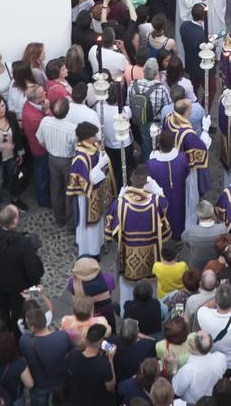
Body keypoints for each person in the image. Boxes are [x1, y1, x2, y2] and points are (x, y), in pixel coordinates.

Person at [105, 164, 171, 310]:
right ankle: (151, 309)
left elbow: (111, 233)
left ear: (130, 178)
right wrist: (156, 189)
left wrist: (122, 196)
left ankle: (125, 312)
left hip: (128, 256)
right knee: (151, 286)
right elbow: (165, 205)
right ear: (147, 181)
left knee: (127, 290)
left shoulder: (120, 203)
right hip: (151, 255)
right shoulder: (156, 201)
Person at [0, 205, 44, 334]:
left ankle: (2, 332)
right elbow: (33, 268)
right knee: (17, 312)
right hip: (16, 286)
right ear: (14, 221)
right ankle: (17, 337)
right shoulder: (23, 243)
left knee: (1, 308)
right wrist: (35, 283)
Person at [67, 121, 116, 258]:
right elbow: (86, 182)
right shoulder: (80, 158)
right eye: (94, 136)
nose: (96, 138)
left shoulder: (94, 146)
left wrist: (103, 160)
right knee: (90, 226)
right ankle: (91, 251)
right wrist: (100, 165)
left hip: (98, 192)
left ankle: (99, 242)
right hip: (87, 197)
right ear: (87, 138)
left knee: (99, 220)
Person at [162, 97, 211, 227]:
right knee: (190, 198)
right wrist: (205, 129)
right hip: (186, 169)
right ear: (187, 112)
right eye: (191, 107)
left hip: (169, 162)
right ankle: (189, 224)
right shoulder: (188, 134)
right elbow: (202, 149)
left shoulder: (168, 118)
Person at [35, 95, 77, 228]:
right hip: (67, 160)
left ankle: (59, 220)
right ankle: (71, 223)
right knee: (69, 192)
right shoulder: (72, 128)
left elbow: (40, 141)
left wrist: (51, 149)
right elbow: (77, 149)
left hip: (52, 158)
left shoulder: (45, 121)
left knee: (55, 190)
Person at [66, 322, 117, 406]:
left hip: (78, 400)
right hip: (98, 405)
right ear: (100, 342)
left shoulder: (73, 354)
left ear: (86, 338)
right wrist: (110, 359)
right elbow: (110, 387)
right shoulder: (103, 364)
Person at [148, 130, 190, 239]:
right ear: (173, 144)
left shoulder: (151, 164)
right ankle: (178, 239)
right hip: (178, 193)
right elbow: (186, 172)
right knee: (178, 213)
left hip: (160, 199)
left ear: (158, 145)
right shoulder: (181, 158)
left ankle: (163, 239)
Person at [171, 330, 227, 403]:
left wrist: (174, 366)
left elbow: (176, 390)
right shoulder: (221, 358)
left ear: (193, 344)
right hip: (213, 399)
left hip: (193, 403)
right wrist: (196, 352)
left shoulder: (188, 370)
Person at [182, 200, 228, 271]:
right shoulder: (222, 229)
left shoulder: (191, 231)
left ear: (198, 215)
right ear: (212, 213)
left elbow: (184, 240)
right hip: (216, 266)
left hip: (196, 266)